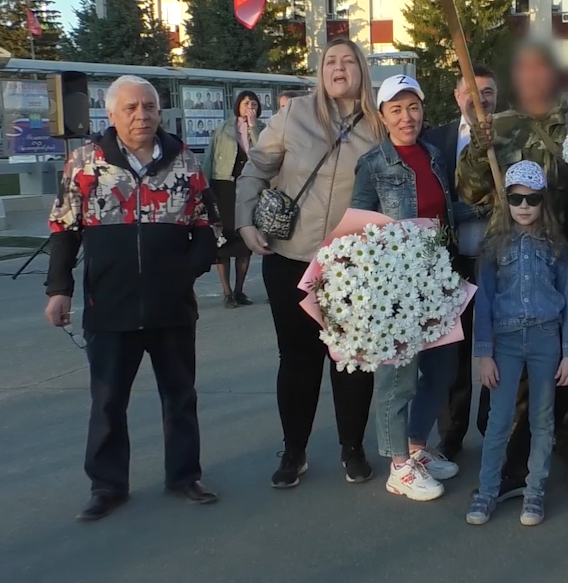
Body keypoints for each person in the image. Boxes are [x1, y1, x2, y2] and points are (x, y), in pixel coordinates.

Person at [44, 75, 219, 521]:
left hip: (172, 307)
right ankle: (107, 485)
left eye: (149, 107)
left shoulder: (185, 163)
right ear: (111, 115)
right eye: (131, 108)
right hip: (110, 307)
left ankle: (184, 475)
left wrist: (186, 271)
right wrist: (59, 290)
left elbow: (207, 226)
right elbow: (64, 230)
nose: (142, 115)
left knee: (180, 397)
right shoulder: (84, 163)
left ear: (160, 111)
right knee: (107, 402)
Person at [236, 38, 385, 489]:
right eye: (330, 62)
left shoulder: (379, 124)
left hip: (351, 265)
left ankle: (352, 448)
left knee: (352, 361)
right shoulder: (293, 115)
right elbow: (256, 169)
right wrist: (245, 223)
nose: (339, 68)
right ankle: (294, 450)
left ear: (361, 69)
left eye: (348, 61)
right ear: (320, 72)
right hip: (291, 258)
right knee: (297, 359)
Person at [457, 40, 568, 497]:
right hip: (514, 261)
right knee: (513, 401)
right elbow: (473, 190)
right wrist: (481, 147)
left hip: (567, 254)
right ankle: (512, 474)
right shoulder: (501, 127)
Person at [349, 75, 460, 501]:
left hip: (439, 279)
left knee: (442, 369)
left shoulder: (433, 155)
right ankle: (398, 466)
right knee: (398, 377)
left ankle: (416, 448)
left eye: (412, 106)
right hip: (395, 286)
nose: (406, 116)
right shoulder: (373, 163)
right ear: (382, 116)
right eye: (396, 109)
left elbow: (446, 211)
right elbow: (356, 226)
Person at [466, 160, 568, 526]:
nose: (524, 206)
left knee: (542, 418)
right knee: (499, 419)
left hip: (547, 338)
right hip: (507, 342)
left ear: (543, 201)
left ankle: (535, 492)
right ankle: (486, 491)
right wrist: (484, 354)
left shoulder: (556, 245)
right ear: (507, 202)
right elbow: (483, 301)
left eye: (532, 199)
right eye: (516, 199)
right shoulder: (494, 245)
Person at [424, 64, 499, 461]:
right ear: (457, 97)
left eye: (487, 91)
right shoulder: (435, 141)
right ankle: (451, 434)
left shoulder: (511, 137)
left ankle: (493, 428)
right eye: (471, 91)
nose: (480, 97)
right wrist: (465, 211)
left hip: (496, 264)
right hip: (449, 264)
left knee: (495, 351)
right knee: (452, 353)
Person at [204, 91, 263, 309]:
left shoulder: (262, 130)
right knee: (224, 240)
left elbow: (263, 153)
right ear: (238, 105)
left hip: (248, 186)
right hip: (224, 186)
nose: (250, 106)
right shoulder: (223, 129)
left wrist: (253, 126)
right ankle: (227, 292)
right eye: (246, 103)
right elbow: (210, 157)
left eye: (254, 104)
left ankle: (239, 290)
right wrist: (206, 189)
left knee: (244, 241)